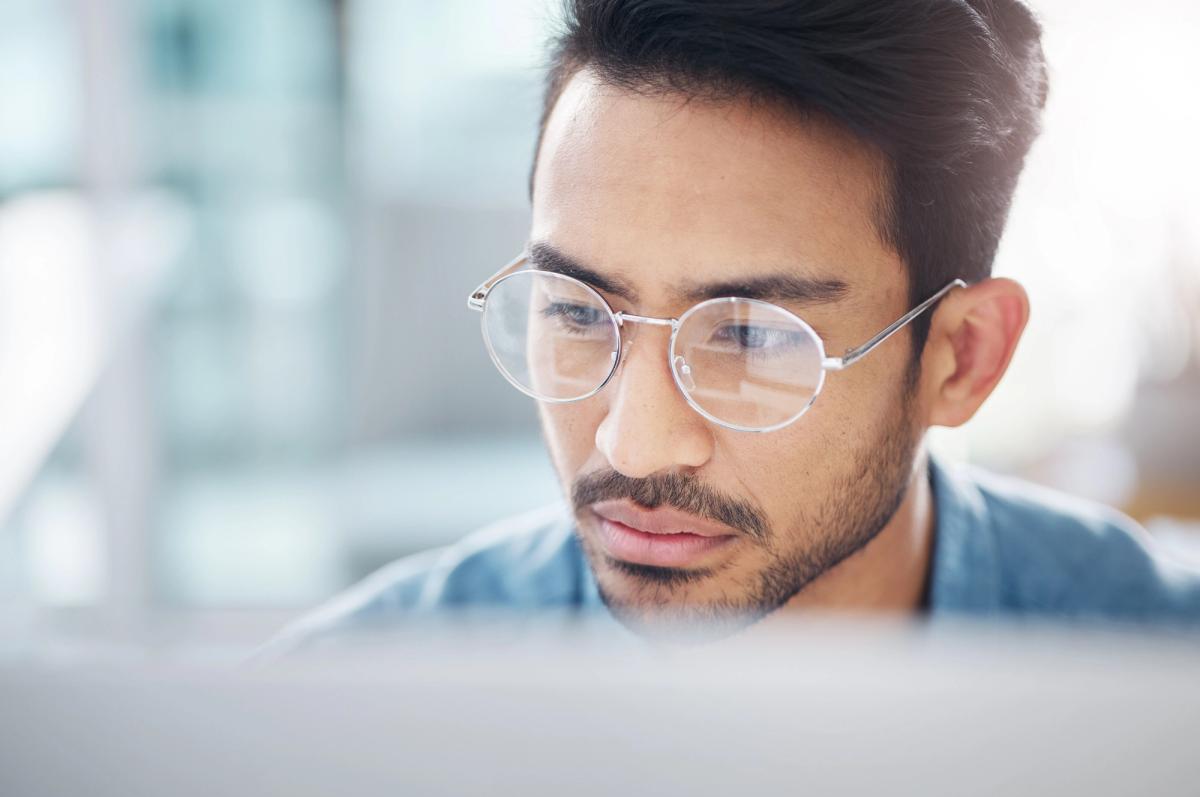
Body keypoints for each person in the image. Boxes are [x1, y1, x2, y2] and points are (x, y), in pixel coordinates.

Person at [272, 0, 1200, 650]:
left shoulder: (1155, 674)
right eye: (575, 312)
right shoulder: (342, 709)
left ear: (961, 359)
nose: (632, 446)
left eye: (749, 338)